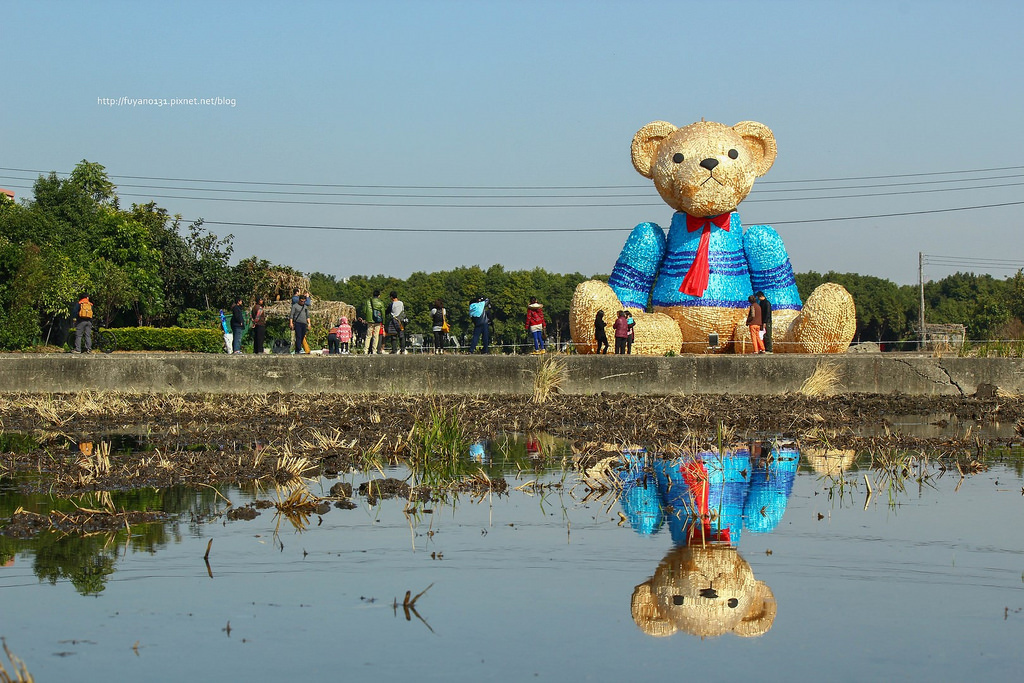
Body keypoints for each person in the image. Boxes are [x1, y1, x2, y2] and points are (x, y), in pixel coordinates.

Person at [362, 290, 385, 354]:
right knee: (376, 336)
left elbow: (365, 310)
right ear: (379, 295)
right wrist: (383, 322)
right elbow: (383, 313)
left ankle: (365, 350)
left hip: (370, 320)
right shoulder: (380, 302)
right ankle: (374, 350)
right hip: (377, 321)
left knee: (368, 336)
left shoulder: (368, 301)